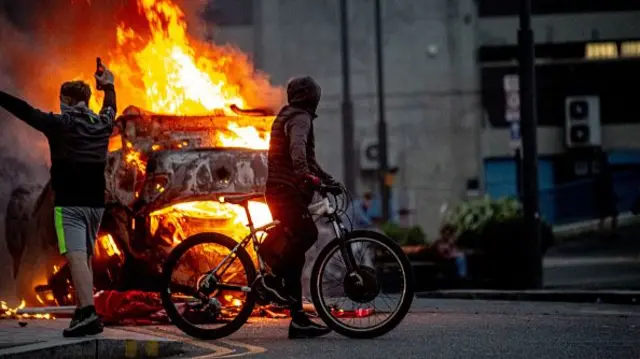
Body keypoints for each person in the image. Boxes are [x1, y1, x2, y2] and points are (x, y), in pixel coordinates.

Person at [0, 66, 116, 337]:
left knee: (75, 256)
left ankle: (88, 313)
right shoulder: (102, 123)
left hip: (70, 204)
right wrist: (108, 85)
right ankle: (83, 311)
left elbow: (25, 110)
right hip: (95, 204)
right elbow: (111, 106)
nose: (60, 104)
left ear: (68, 101)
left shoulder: (59, 124)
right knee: (84, 256)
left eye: (62, 100)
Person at [259, 76, 339, 339]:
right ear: (309, 96)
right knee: (308, 235)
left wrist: (326, 180)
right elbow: (298, 152)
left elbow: (309, 159)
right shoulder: (301, 117)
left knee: (296, 256)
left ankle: (298, 321)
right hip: (286, 192)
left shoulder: (289, 114)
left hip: (282, 191)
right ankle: (272, 280)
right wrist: (305, 175)